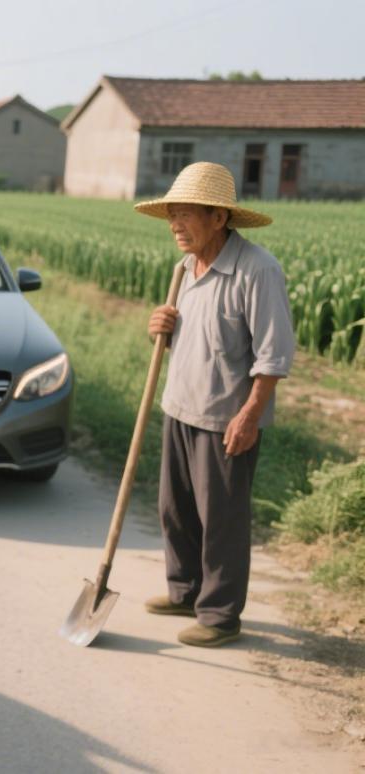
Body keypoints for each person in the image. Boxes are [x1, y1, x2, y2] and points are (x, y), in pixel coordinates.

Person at [138, 162, 294, 648]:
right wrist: (160, 328)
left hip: (226, 418)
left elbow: (273, 355)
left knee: (221, 520)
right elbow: (195, 338)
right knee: (176, 510)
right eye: (172, 216)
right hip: (180, 406)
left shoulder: (257, 270)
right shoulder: (185, 269)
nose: (175, 226)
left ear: (219, 217)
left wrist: (249, 415)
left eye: (185, 214)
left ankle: (221, 615)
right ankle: (185, 591)